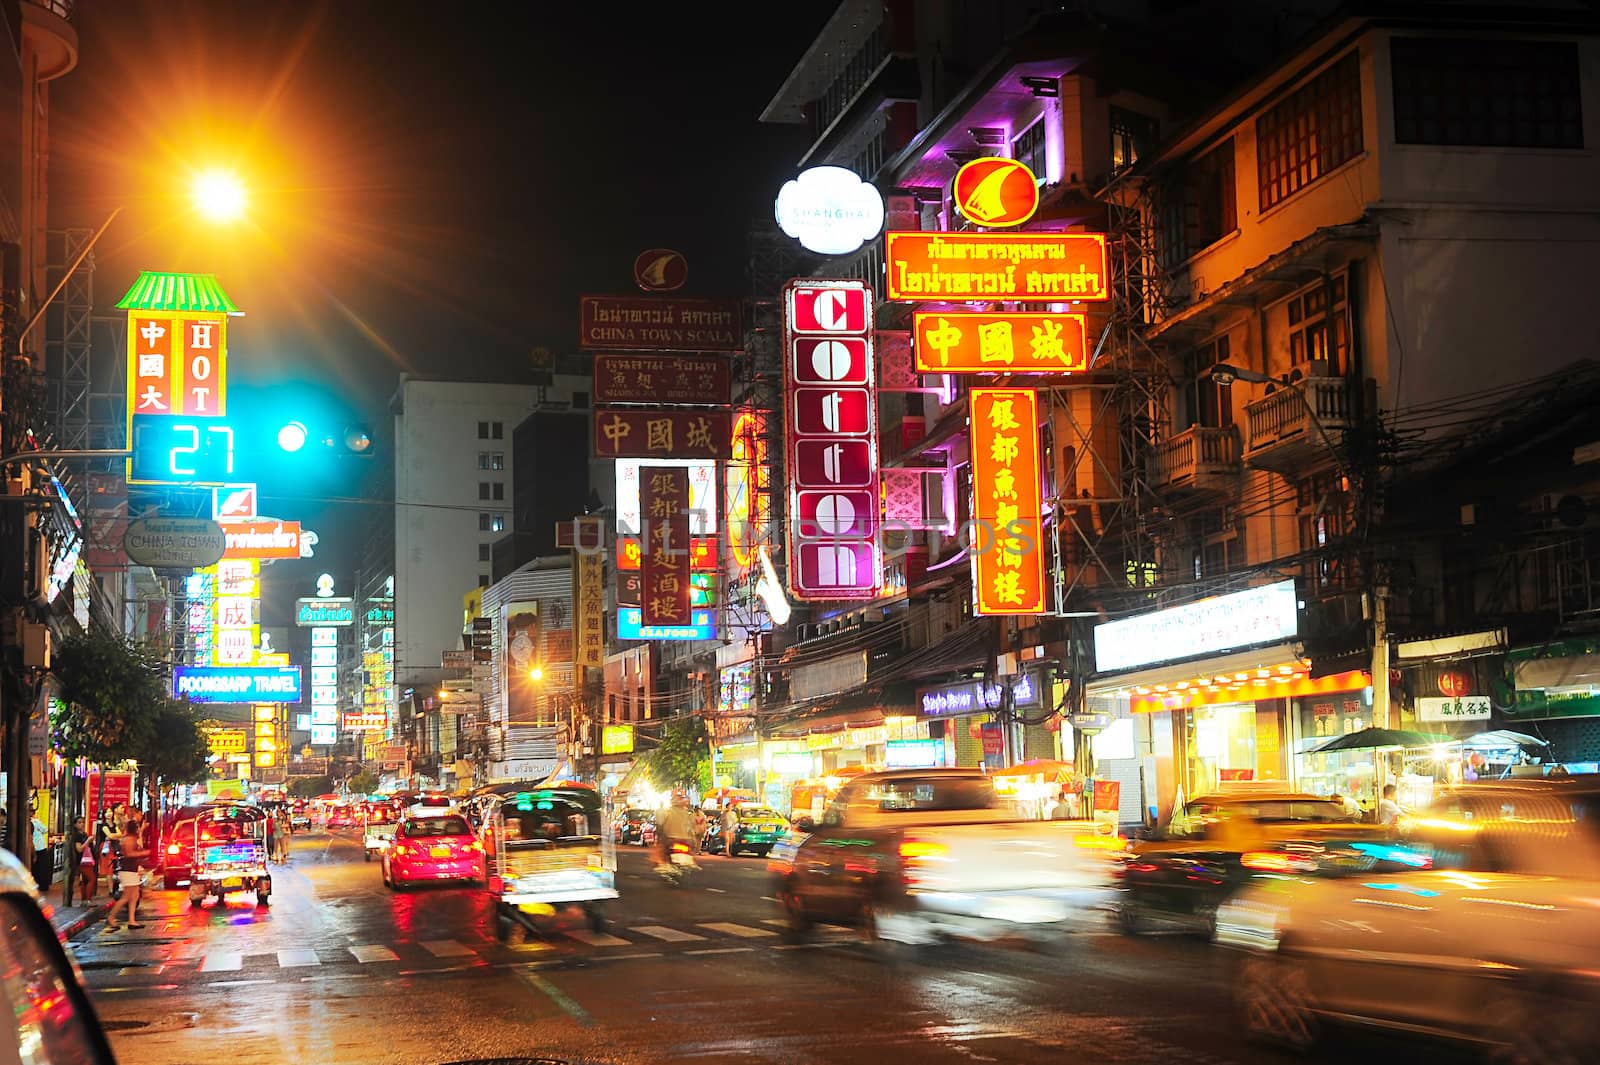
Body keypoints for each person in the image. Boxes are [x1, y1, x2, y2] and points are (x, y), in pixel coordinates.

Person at [105, 818, 148, 931]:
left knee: (134, 896)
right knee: (127, 896)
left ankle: (132, 920)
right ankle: (111, 917)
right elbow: (129, 853)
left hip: (130, 870)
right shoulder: (130, 839)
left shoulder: (131, 838)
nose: (139, 829)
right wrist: (145, 852)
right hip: (127, 870)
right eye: (138, 827)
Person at [656, 792, 697, 868]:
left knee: (662, 850)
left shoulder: (668, 811)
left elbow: (661, 823)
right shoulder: (688, 813)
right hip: (685, 839)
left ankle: (663, 864)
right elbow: (692, 826)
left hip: (671, 838)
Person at [72, 817, 95, 902]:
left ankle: (84, 900)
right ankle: (87, 899)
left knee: (85, 880)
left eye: (82, 822)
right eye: (79, 822)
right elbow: (79, 849)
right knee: (91, 879)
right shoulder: (77, 836)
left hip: (87, 859)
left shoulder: (84, 834)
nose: (81, 824)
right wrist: (88, 841)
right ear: (75, 824)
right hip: (82, 860)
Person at [29, 805, 51, 892]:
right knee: (42, 867)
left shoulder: (31, 822)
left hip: (33, 847)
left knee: (35, 868)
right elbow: (45, 830)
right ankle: (42, 885)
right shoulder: (36, 821)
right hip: (40, 847)